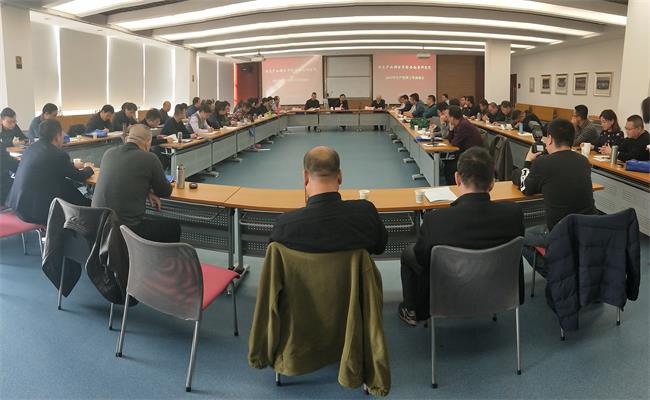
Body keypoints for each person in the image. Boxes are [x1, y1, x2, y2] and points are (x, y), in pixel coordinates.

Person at [398, 147, 524, 324]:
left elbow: (421, 258)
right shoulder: (513, 213)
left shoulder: (436, 219)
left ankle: (411, 309)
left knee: (408, 254)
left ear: (457, 179)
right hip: (498, 289)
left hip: (449, 290)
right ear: (492, 183)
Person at [512, 118, 596, 274]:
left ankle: (555, 274)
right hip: (587, 230)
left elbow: (526, 188)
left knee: (518, 238)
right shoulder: (584, 161)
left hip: (560, 233)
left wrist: (528, 161)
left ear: (549, 139)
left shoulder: (543, 163)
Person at [270, 146, 388, 254]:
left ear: (305, 177)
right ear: (340, 176)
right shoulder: (366, 213)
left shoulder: (284, 226)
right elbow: (379, 248)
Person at [92, 124, 180, 243]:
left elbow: (125, 179)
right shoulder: (149, 158)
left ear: (128, 138)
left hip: (98, 226)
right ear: (148, 143)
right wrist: (151, 189)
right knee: (174, 227)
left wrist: (147, 191)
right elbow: (165, 191)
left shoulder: (108, 153)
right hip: (126, 230)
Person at [7, 119, 94, 225]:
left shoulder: (31, 148)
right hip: (36, 213)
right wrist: (89, 168)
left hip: (19, 207)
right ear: (57, 136)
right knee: (78, 198)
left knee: (64, 185)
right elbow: (80, 176)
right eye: (62, 133)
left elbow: (50, 164)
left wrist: (72, 165)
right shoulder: (57, 154)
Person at [445, 105, 484, 184]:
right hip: (466, 152)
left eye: (448, 116)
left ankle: (454, 187)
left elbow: (454, 143)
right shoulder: (459, 124)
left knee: (449, 168)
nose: (447, 118)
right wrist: (451, 129)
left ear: (452, 118)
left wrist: (451, 130)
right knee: (447, 162)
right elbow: (450, 140)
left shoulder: (463, 125)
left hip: (473, 156)